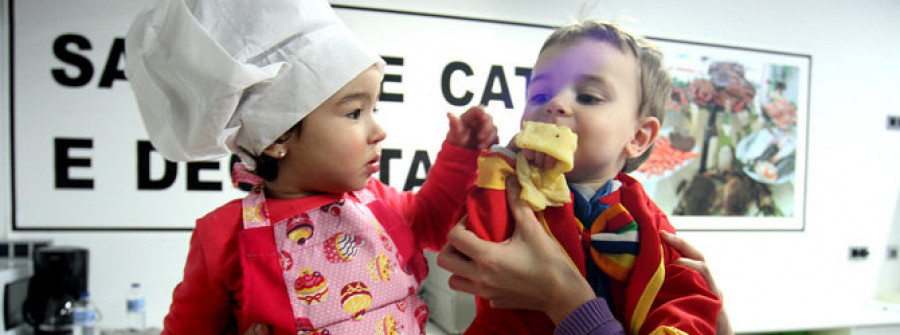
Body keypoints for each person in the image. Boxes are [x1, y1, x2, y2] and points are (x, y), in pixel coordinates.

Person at [124, 0, 497, 333]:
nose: (379, 130)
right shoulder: (221, 236)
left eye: (374, 110)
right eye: (354, 112)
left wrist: (460, 155)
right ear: (275, 138)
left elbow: (431, 222)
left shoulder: (374, 202)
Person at [440, 20, 721, 334]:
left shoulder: (648, 223)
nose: (556, 105)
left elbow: (683, 302)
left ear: (638, 137)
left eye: (588, 97)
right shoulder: (513, 189)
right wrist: (501, 165)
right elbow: (475, 243)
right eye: (539, 95)